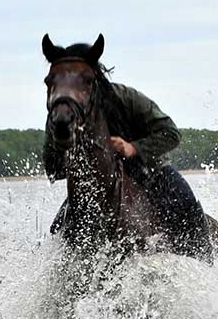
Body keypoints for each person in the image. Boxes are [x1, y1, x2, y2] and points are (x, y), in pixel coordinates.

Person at [41, 37, 209, 254]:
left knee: (189, 209)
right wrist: (68, 145)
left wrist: (133, 148)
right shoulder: (60, 116)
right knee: (57, 233)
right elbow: (54, 170)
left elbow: (171, 133)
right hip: (97, 184)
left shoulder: (126, 98)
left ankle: (208, 264)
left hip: (150, 171)